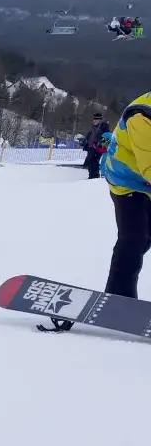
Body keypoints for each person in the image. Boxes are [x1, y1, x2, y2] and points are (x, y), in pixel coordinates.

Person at [100, 92, 151, 298]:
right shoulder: (142, 117)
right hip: (126, 180)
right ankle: (118, 297)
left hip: (146, 181)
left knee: (143, 239)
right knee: (134, 238)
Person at [83, 112, 111, 180]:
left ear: (100, 120)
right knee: (90, 162)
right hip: (91, 147)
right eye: (94, 119)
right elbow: (90, 137)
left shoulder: (103, 127)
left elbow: (107, 137)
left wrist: (100, 145)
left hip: (97, 148)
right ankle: (92, 176)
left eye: (96, 119)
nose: (94, 121)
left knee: (94, 161)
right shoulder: (94, 128)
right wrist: (86, 143)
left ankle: (94, 177)